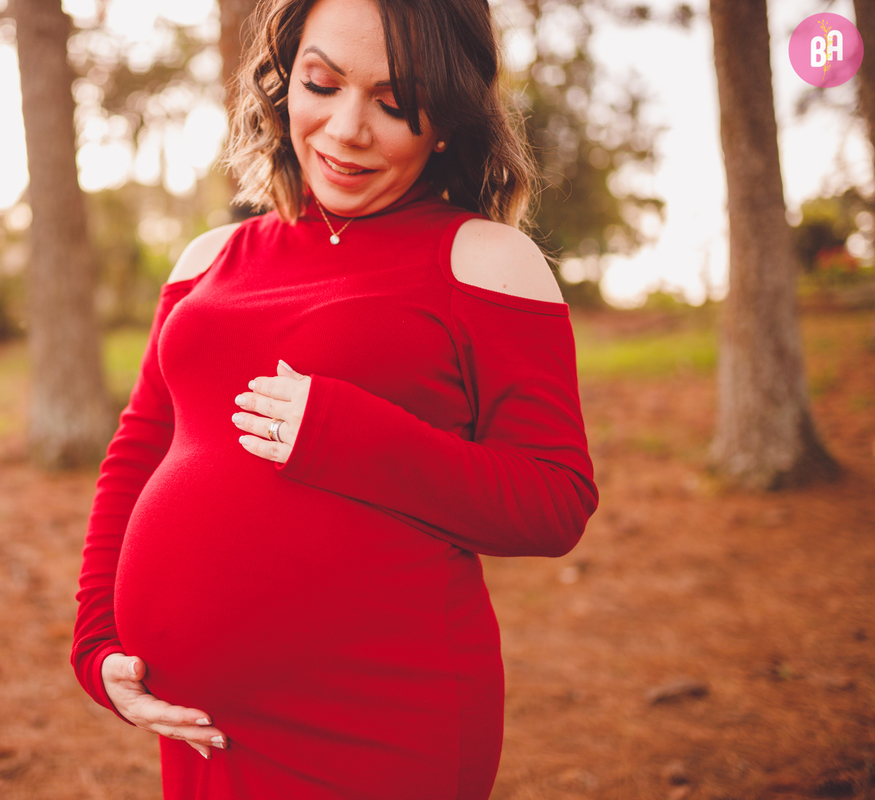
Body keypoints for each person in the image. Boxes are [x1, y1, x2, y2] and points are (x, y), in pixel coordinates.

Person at [72, 0, 599, 796]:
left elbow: (554, 501)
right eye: (322, 84)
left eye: (395, 102)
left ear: (447, 119)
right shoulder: (206, 260)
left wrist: (348, 436)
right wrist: (95, 642)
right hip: (204, 734)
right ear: (284, 82)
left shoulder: (485, 260)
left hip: (379, 722)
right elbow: (138, 452)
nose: (348, 129)